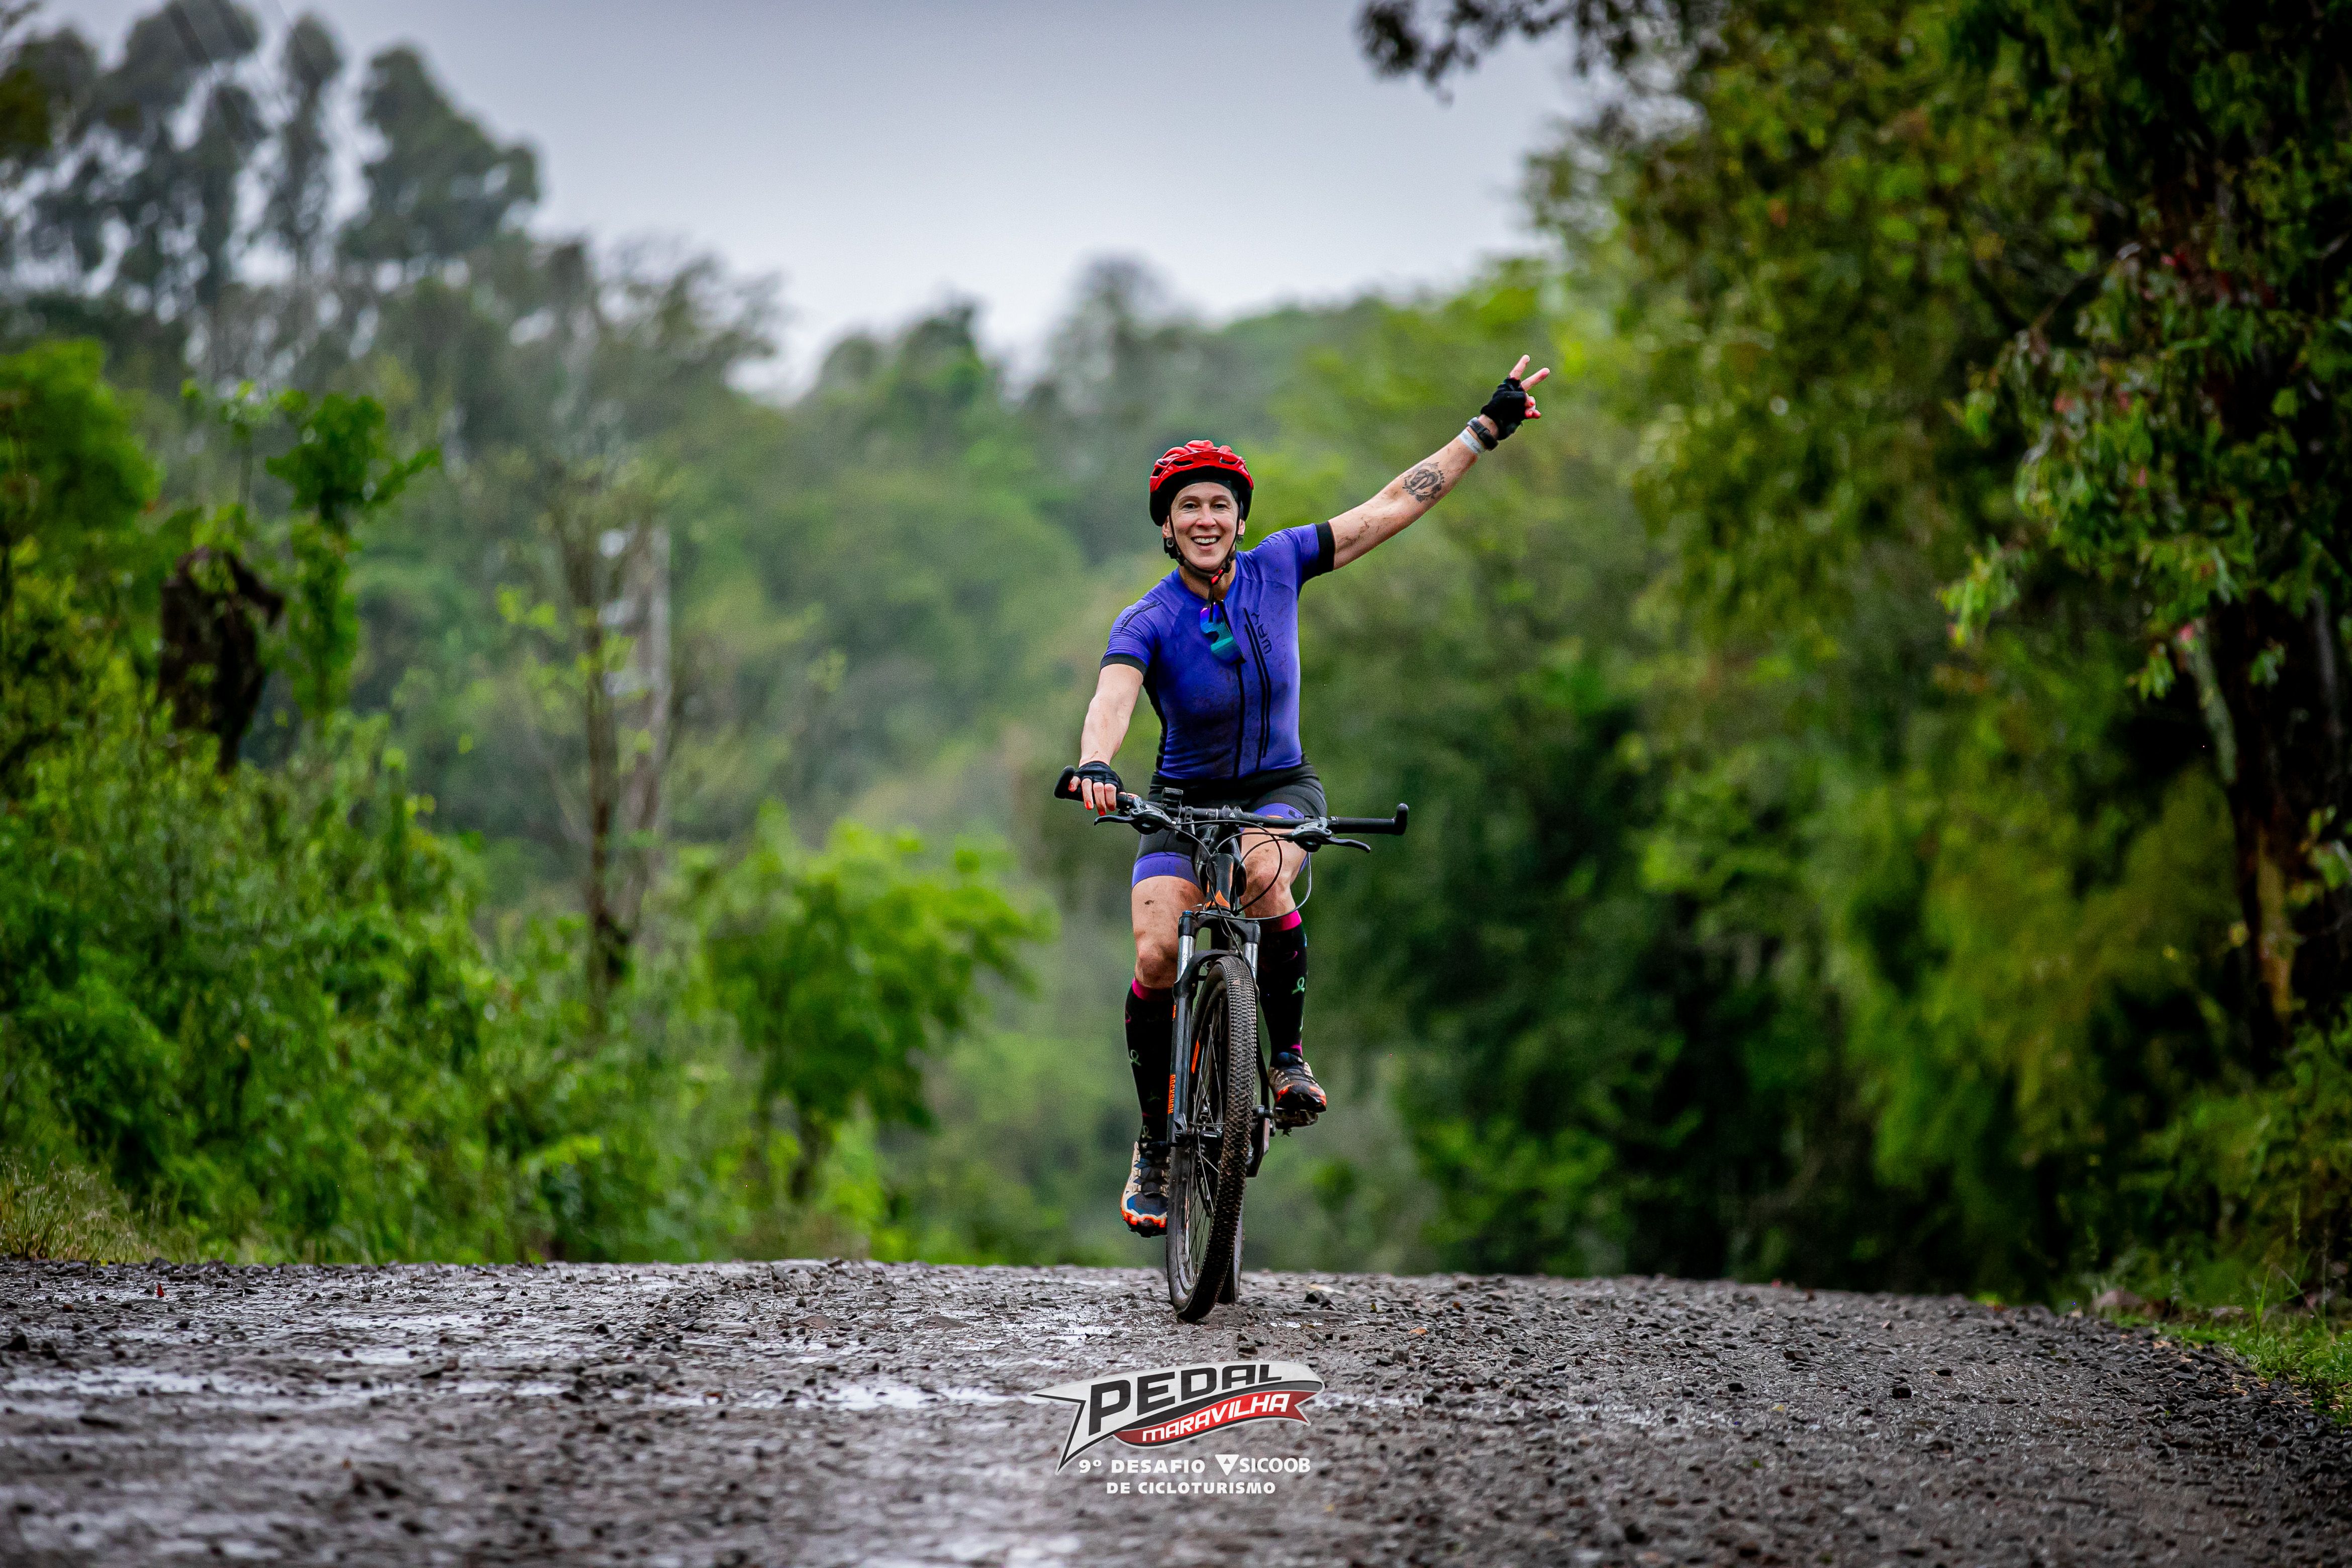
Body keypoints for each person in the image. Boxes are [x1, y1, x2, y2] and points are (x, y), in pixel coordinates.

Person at [1071, 355, 1553, 1235]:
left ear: (1240, 518)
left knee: (1263, 875)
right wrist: (1098, 766)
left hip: (1278, 786)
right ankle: (1154, 1142)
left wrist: (1483, 431)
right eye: (1189, 507)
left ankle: (1286, 1060)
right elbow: (1113, 698)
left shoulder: (1283, 563)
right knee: (1154, 953)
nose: (1206, 518)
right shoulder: (1147, 618)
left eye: (1220, 504)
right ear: (1167, 528)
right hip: (1179, 798)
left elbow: (1392, 506)